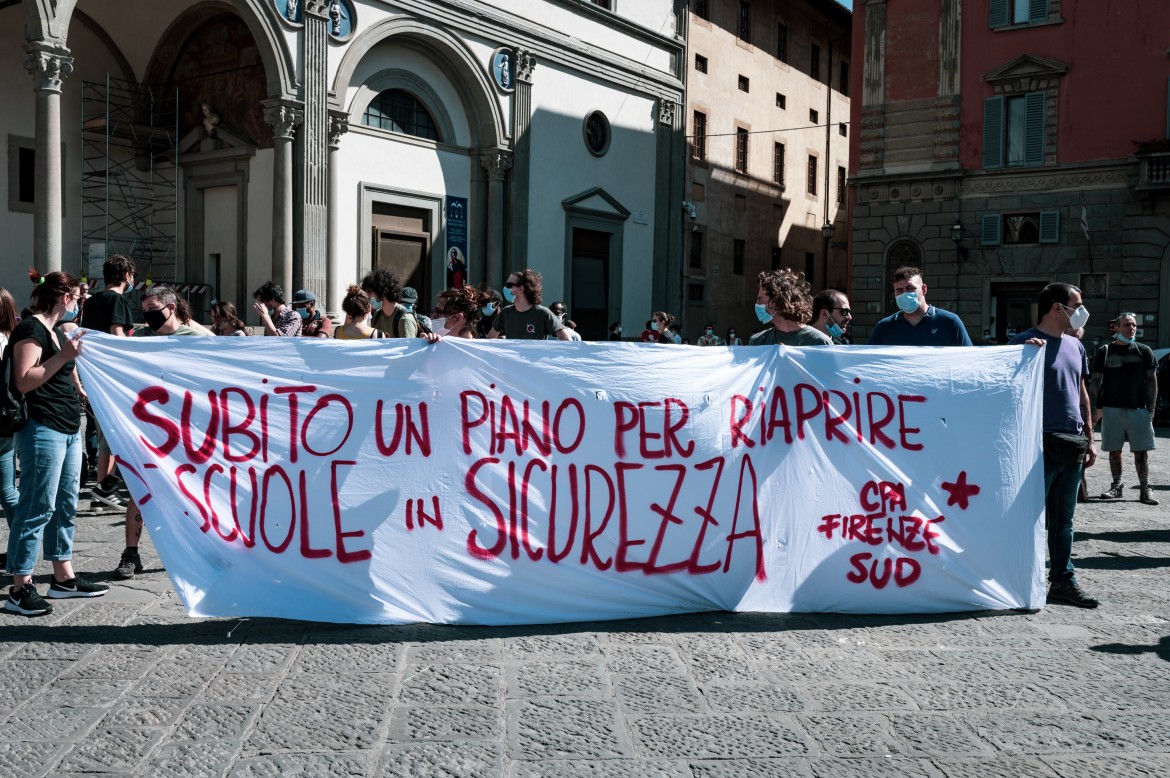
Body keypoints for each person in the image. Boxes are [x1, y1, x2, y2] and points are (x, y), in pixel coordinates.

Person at [6, 270, 109, 616]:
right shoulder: (31, 329)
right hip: (43, 428)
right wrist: (64, 356)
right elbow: (23, 380)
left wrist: (75, 379)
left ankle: (63, 577)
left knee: (64, 505)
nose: (80, 304)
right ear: (64, 298)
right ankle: (20, 586)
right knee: (36, 507)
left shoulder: (53, 330)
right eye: (79, 298)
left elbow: (56, 371)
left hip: (66, 428)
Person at [112, 285, 212, 579]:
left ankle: (201, 548)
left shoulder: (194, 339)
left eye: (153, 311)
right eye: (144, 312)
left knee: (191, 489)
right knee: (138, 487)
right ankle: (131, 553)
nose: (148, 318)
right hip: (147, 427)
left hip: (186, 428)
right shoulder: (141, 338)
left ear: (171, 307)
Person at [1010, 282, 1098, 608]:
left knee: (1064, 521)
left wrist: (1089, 437)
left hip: (1071, 442)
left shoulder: (1076, 346)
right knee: (1028, 517)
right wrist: (1020, 359)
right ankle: (1019, 579)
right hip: (1037, 445)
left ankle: (1062, 580)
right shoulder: (1022, 344)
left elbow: (1081, 392)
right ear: (1057, 307)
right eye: (1078, 304)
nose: (1082, 311)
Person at [80, 255, 137, 509]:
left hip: (95, 373)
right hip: (114, 376)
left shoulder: (92, 302)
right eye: (133, 276)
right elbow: (116, 334)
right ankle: (104, 489)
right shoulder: (117, 300)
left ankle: (102, 494)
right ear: (126, 275)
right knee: (116, 436)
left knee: (108, 435)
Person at [1091, 312, 1159, 505]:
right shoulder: (1105, 351)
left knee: (1141, 451)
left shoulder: (1144, 351)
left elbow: (1152, 381)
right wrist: (1094, 410)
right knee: (1114, 451)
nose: (1131, 329)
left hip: (1138, 409)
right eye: (1127, 325)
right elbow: (1095, 382)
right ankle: (1117, 486)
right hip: (1112, 409)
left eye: (1134, 325)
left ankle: (1145, 488)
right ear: (1117, 328)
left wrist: (1151, 410)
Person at [869, 266, 972, 346]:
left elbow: (969, 360)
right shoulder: (884, 328)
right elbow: (868, 364)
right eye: (899, 291)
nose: (905, 294)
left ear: (924, 289)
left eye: (910, 288)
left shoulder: (950, 322)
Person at [749, 269, 833, 347]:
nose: (756, 304)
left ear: (777, 302)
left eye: (760, 300)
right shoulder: (757, 342)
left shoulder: (819, 342)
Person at [487, 269, 570, 340]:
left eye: (509, 285)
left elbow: (567, 339)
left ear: (520, 289)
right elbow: (489, 341)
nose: (505, 288)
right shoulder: (506, 313)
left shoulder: (543, 313)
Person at [0, 288, 19, 547]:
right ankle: (19, 544)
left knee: (7, 490)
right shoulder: (11, 338)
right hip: (6, 423)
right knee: (7, 489)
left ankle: (20, 543)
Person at [361, 269, 419, 339]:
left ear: (381, 293)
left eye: (370, 293)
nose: (368, 298)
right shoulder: (378, 315)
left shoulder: (404, 319)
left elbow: (409, 348)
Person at [424, 286, 495, 341]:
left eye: (438, 312)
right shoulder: (435, 342)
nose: (432, 316)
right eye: (434, 310)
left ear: (458, 318)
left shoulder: (478, 352)